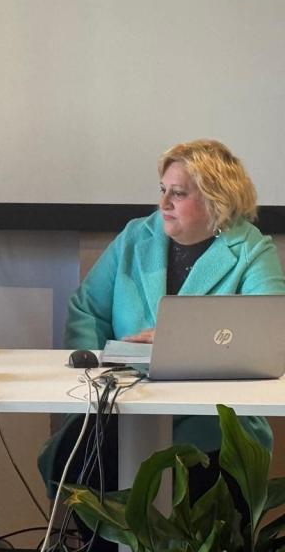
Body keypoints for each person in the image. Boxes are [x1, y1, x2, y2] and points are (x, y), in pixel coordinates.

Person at [39, 139, 285, 550]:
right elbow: (86, 309)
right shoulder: (137, 236)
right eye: (162, 189)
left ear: (216, 199)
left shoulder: (251, 249)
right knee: (78, 457)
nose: (164, 202)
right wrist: (95, 370)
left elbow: (268, 329)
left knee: (205, 483)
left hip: (210, 415)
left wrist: (178, 341)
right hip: (122, 405)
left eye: (178, 193)